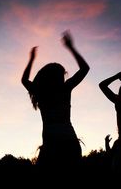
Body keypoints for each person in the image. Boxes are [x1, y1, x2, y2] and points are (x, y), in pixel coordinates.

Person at [21, 31, 90, 166]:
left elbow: (24, 80)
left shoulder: (41, 92)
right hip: (67, 144)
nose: (63, 77)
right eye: (61, 75)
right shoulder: (64, 89)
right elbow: (85, 68)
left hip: (52, 145)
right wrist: (71, 47)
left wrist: (31, 59)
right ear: (54, 77)